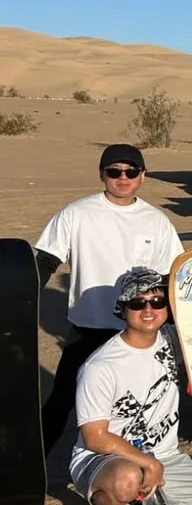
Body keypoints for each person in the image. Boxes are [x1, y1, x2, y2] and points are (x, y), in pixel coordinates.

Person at [35, 144, 184, 458]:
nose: (123, 178)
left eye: (131, 171)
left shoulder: (156, 221)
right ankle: (32, 467)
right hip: (89, 325)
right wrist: (20, 297)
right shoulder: (77, 213)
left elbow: (170, 276)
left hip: (142, 330)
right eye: (114, 171)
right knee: (62, 399)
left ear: (142, 175)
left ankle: (141, 461)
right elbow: (46, 261)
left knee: (149, 398)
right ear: (102, 174)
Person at [70, 268, 192, 505]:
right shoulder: (100, 367)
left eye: (157, 301)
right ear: (123, 309)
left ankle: (140, 499)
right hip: (105, 458)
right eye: (137, 303)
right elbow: (95, 437)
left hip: (164, 455)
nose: (148, 310)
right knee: (126, 478)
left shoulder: (176, 340)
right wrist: (148, 463)